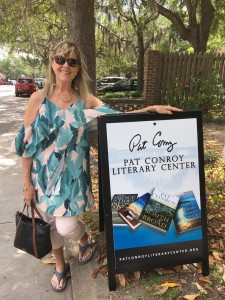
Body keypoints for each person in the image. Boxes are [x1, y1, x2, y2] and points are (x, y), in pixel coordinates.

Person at [11, 39, 182, 293]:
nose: (65, 65)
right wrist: (26, 183)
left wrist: (149, 110)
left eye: (72, 61)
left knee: (66, 224)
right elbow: (27, 147)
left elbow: (115, 117)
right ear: (51, 63)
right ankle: (60, 266)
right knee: (49, 223)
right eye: (60, 59)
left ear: (78, 68)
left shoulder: (85, 99)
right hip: (42, 177)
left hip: (72, 178)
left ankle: (83, 238)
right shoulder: (38, 99)